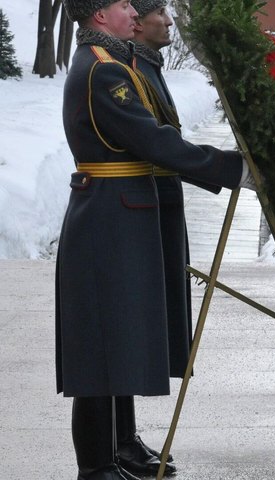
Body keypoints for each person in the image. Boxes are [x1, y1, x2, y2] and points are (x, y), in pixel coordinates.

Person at [58, 1, 256, 478]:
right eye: (123, 4)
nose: (133, 10)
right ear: (100, 16)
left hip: (118, 210)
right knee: (100, 352)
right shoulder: (102, 71)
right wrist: (231, 169)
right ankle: (97, 468)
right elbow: (152, 139)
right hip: (108, 216)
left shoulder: (113, 62)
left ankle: (115, 452)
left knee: (116, 342)